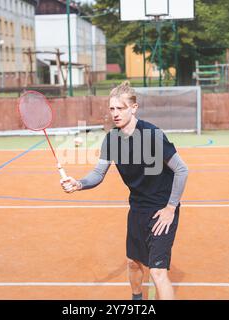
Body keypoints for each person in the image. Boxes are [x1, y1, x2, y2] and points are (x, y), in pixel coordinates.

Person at [60, 81, 188, 300]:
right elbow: (98, 173)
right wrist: (79, 183)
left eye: (120, 108)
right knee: (134, 263)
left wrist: (170, 208)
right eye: (112, 109)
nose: (115, 114)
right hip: (137, 209)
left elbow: (182, 170)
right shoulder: (112, 140)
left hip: (161, 211)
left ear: (134, 108)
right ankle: (137, 300)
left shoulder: (151, 135)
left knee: (157, 272)